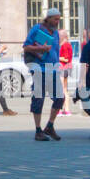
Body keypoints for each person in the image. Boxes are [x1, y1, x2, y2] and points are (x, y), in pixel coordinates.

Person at [24, 8, 65, 141]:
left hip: (52, 69)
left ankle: (50, 126)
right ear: (48, 18)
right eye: (55, 19)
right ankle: (38, 130)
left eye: (59, 19)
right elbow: (26, 47)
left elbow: (55, 51)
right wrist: (41, 48)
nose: (57, 21)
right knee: (38, 99)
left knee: (60, 98)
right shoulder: (37, 29)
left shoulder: (56, 33)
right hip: (39, 69)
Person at [57, 29, 74, 116]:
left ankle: (60, 109)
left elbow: (66, 58)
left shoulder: (65, 45)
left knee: (61, 90)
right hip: (66, 68)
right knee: (64, 89)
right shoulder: (67, 45)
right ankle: (66, 109)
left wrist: (57, 58)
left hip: (63, 68)